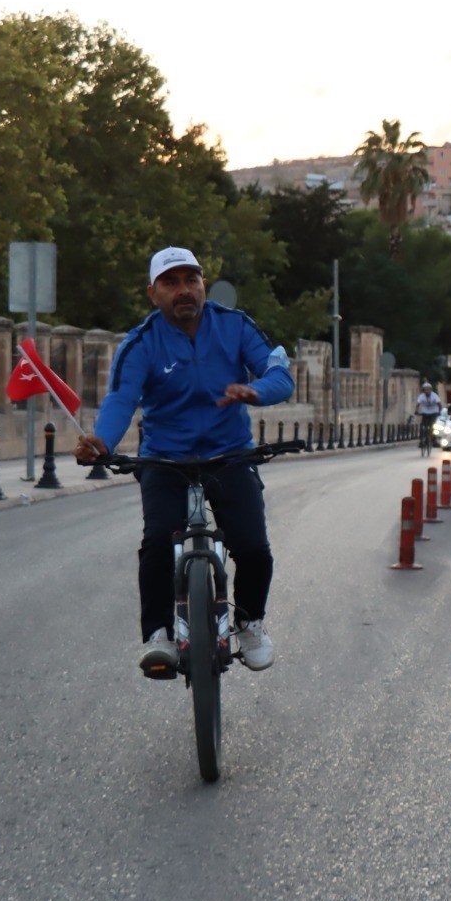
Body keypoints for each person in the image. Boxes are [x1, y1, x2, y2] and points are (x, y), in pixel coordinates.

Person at [74, 247, 295, 676]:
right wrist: (102, 440)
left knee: (253, 546)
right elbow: (122, 398)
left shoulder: (234, 325)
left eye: (191, 280)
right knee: (158, 540)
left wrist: (256, 391)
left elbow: (278, 372)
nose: (183, 291)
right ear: (153, 293)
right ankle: (158, 634)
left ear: (203, 285)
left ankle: (249, 623)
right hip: (165, 459)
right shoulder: (141, 343)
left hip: (230, 454)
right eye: (171, 283)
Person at [416, 382, 442, 449]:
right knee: (422, 426)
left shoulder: (434, 395)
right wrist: (416, 411)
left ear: (431, 390)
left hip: (433, 412)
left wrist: (439, 411)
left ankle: (434, 440)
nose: (427, 391)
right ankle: (421, 440)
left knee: (433, 426)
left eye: (428, 389)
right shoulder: (421, 396)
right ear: (423, 390)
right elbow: (418, 404)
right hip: (425, 412)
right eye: (425, 389)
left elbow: (439, 404)